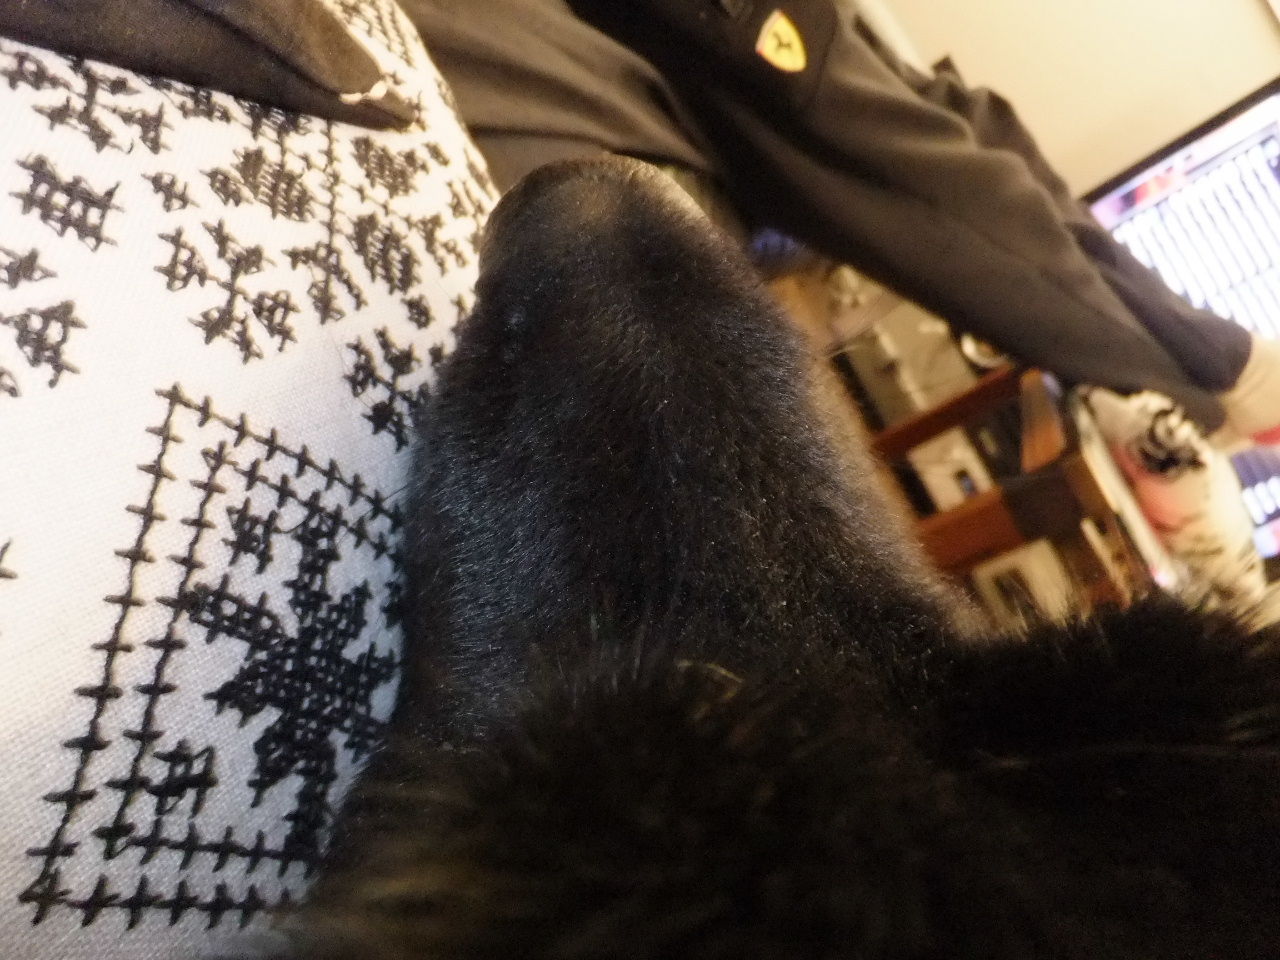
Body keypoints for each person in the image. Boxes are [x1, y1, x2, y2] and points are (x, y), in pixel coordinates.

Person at [403, 0, 1277, 611]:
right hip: (512, 226)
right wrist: (1202, 382)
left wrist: (1200, 357)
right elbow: (896, 165)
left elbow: (967, 129)